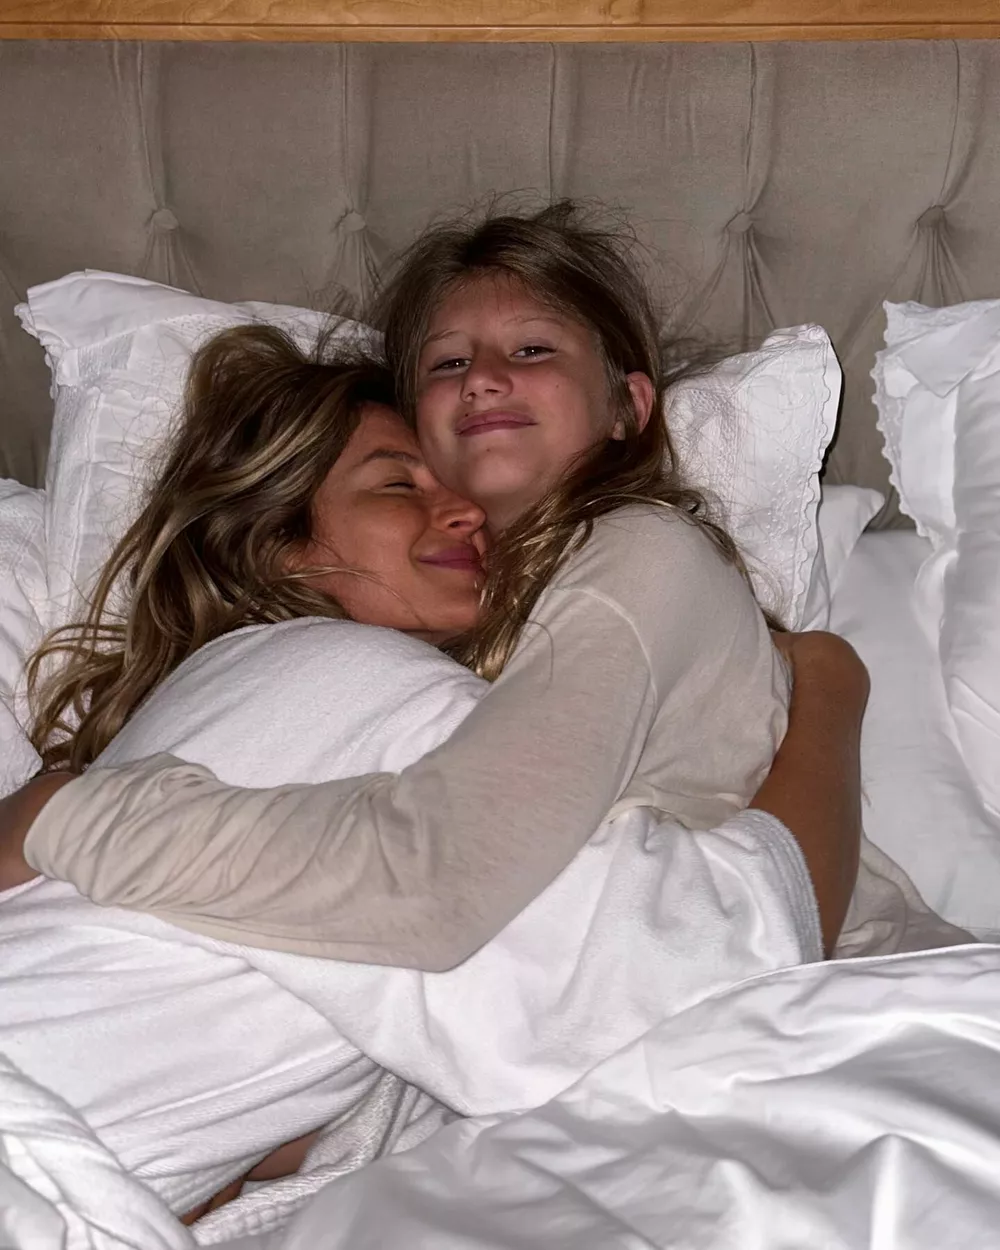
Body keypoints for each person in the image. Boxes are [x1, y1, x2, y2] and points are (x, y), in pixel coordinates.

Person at [0, 315, 833, 1240]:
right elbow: (694, 978)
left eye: (459, 490)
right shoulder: (342, 676)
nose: (466, 513)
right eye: (399, 485)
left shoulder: (234, 699)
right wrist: (831, 697)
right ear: (282, 543)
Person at [3, 201, 954, 968]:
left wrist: (65, 816)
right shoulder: (419, 646)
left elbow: (442, 883)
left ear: (628, 409)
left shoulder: (640, 551)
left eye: (533, 350)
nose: (485, 378)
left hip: (821, 996)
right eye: (448, 362)